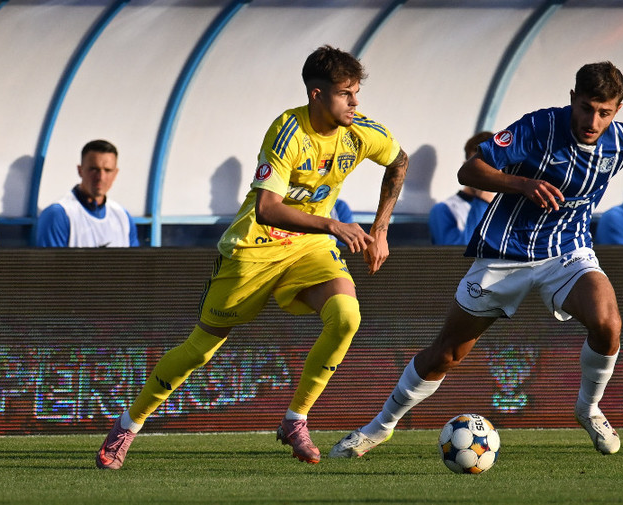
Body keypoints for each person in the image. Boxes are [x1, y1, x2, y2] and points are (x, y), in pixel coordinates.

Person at [330, 61, 623, 459]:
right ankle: (378, 428)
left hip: (567, 252)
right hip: (505, 254)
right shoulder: (537, 128)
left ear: (618, 109)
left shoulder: (621, 139)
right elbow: (469, 170)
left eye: (604, 111)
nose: (593, 120)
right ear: (573, 100)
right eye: (586, 108)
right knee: (447, 353)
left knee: (608, 324)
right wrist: (524, 183)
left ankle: (588, 408)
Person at [96, 45, 409, 469]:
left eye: (356, 93)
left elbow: (399, 160)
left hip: (309, 247)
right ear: (317, 96)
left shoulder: (361, 131)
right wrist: (334, 225)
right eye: (345, 94)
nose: (356, 102)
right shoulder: (288, 131)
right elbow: (267, 208)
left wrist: (380, 229)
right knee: (200, 350)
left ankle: (295, 420)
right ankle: (126, 427)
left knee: (347, 316)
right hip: (254, 248)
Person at [36, 139, 139, 247]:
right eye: (94, 169)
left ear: (115, 173)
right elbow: (50, 263)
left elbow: (135, 263)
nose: (100, 177)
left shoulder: (122, 216)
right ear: (80, 170)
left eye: (107, 170)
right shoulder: (58, 215)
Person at [428, 131, 496, 245]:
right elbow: (458, 255)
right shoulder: (445, 210)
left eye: (490, 167)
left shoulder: (507, 207)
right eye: (478, 167)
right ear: (466, 167)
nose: (484, 174)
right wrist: (482, 200)